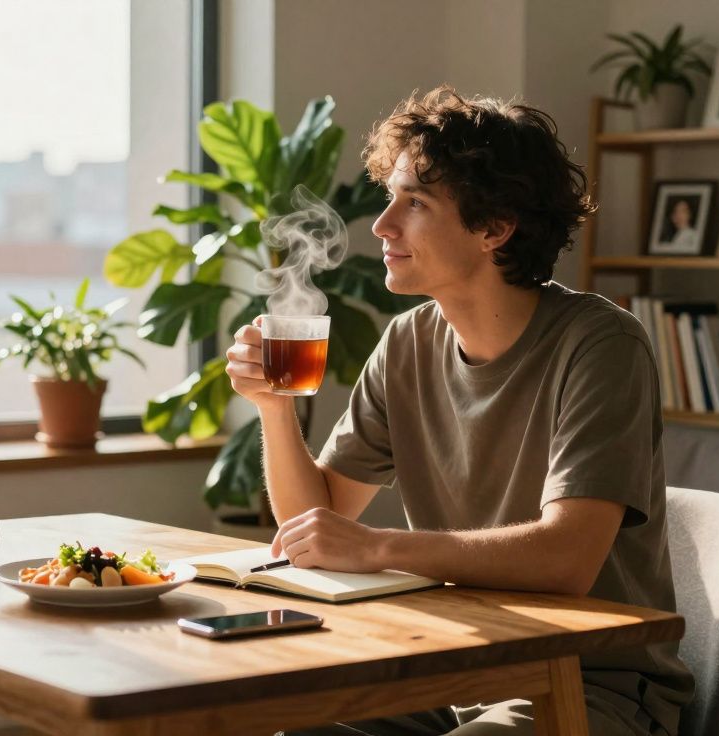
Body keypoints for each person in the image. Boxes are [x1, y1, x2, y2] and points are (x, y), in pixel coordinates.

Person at [227, 87, 694, 735]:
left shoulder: (601, 345)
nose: (384, 225)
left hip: (590, 683)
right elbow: (317, 524)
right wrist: (273, 409)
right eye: (391, 197)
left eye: (414, 203)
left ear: (494, 228)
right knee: (291, 726)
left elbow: (568, 557)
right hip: (453, 668)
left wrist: (377, 547)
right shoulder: (409, 343)